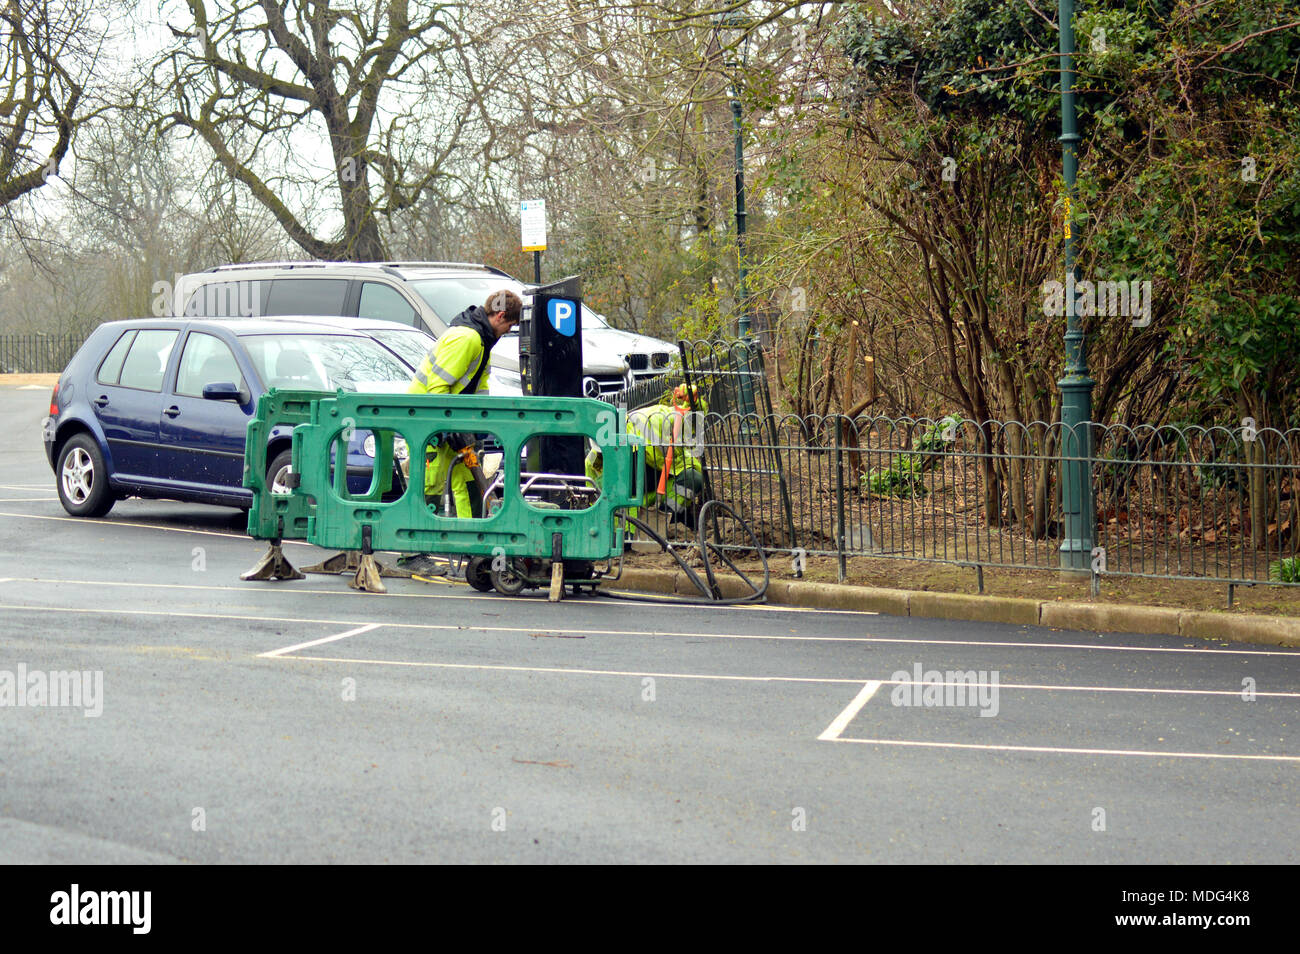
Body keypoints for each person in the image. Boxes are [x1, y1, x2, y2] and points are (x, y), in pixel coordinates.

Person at [399, 289, 522, 575]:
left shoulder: (482, 342)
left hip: (445, 422)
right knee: (427, 487)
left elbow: (479, 388)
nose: (508, 332)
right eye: (510, 325)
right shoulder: (467, 338)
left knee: (468, 482)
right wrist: (448, 426)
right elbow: (437, 386)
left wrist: (475, 426)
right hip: (426, 423)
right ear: (501, 316)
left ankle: (473, 547)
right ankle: (412, 554)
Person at [585, 383, 707, 529]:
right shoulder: (593, 462)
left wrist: (694, 402)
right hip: (635, 502)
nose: (610, 455)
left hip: (667, 482)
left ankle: (666, 520)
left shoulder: (653, 421)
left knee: (693, 479)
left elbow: (693, 419)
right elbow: (595, 502)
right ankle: (638, 528)